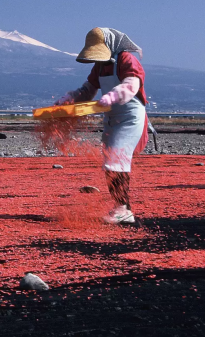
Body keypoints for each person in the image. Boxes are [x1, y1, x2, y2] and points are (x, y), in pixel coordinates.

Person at [57, 27, 150, 224]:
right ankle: (123, 209)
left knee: (115, 160)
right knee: (111, 164)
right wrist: (70, 99)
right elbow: (88, 89)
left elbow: (132, 85)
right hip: (111, 116)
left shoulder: (126, 60)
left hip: (130, 117)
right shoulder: (100, 66)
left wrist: (113, 96)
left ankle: (122, 209)